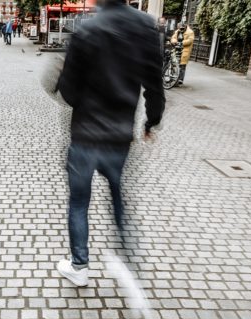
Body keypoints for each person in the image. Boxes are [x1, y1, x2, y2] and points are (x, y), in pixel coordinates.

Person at [54, 0, 165, 287]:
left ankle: (79, 267)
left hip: (85, 135)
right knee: (118, 199)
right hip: (118, 136)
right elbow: (155, 84)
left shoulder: (86, 29)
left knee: (79, 202)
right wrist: (151, 122)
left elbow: (68, 92)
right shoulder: (145, 27)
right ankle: (129, 260)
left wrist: (60, 79)